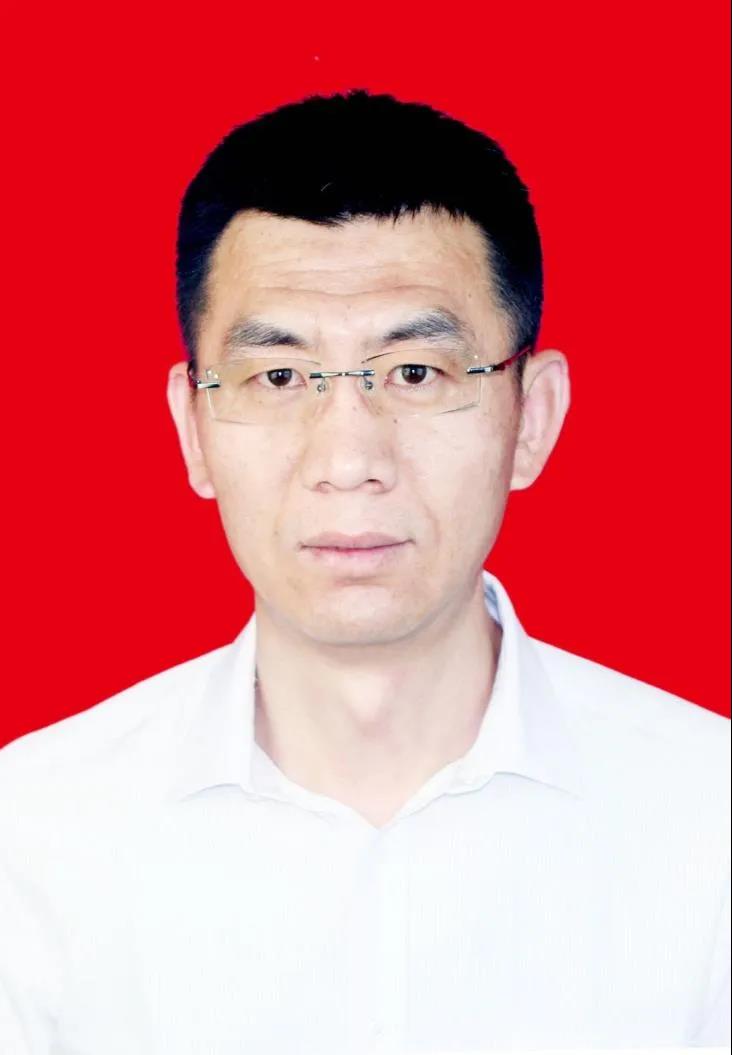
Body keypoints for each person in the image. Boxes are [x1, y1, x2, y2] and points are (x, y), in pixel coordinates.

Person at [0, 90, 728, 1055]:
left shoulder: (708, 825)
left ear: (533, 417)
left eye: (414, 373)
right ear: (194, 429)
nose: (348, 460)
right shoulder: (34, 838)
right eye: (280, 377)